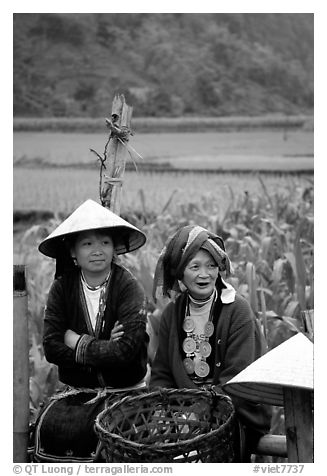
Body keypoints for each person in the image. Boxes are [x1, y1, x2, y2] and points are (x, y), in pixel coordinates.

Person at [31, 199, 149, 462]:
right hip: (77, 393)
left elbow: (125, 352)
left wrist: (76, 340)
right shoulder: (62, 288)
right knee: (49, 431)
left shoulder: (129, 287)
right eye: (87, 243)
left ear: (114, 248)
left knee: (119, 441)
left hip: (125, 392)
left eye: (105, 242)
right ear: (73, 251)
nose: (98, 250)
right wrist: (105, 345)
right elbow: (51, 347)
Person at [150, 224, 271, 461]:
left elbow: (238, 381)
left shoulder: (238, 311)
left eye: (212, 266)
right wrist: (165, 412)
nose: (204, 274)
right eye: (195, 266)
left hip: (233, 412)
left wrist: (198, 416)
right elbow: (161, 374)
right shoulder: (172, 313)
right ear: (180, 272)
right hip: (183, 414)